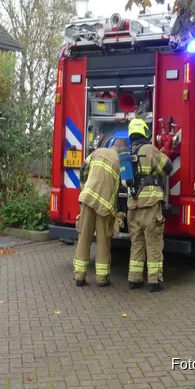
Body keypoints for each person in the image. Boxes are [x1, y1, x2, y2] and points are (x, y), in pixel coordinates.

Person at [126, 118, 173, 292]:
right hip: (150, 204)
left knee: (136, 243)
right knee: (153, 243)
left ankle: (134, 279)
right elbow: (167, 167)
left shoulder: (126, 153)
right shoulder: (149, 149)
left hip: (132, 205)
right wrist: (166, 151)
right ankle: (154, 281)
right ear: (144, 132)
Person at [73, 139, 127, 287]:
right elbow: (123, 187)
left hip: (87, 200)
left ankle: (79, 277)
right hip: (104, 206)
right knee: (103, 241)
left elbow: (83, 169)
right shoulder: (121, 161)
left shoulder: (97, 152)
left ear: (113, 145)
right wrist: (119, 211)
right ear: (122, 150)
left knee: (84, 237)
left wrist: (84, 189)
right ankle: (102, 279)